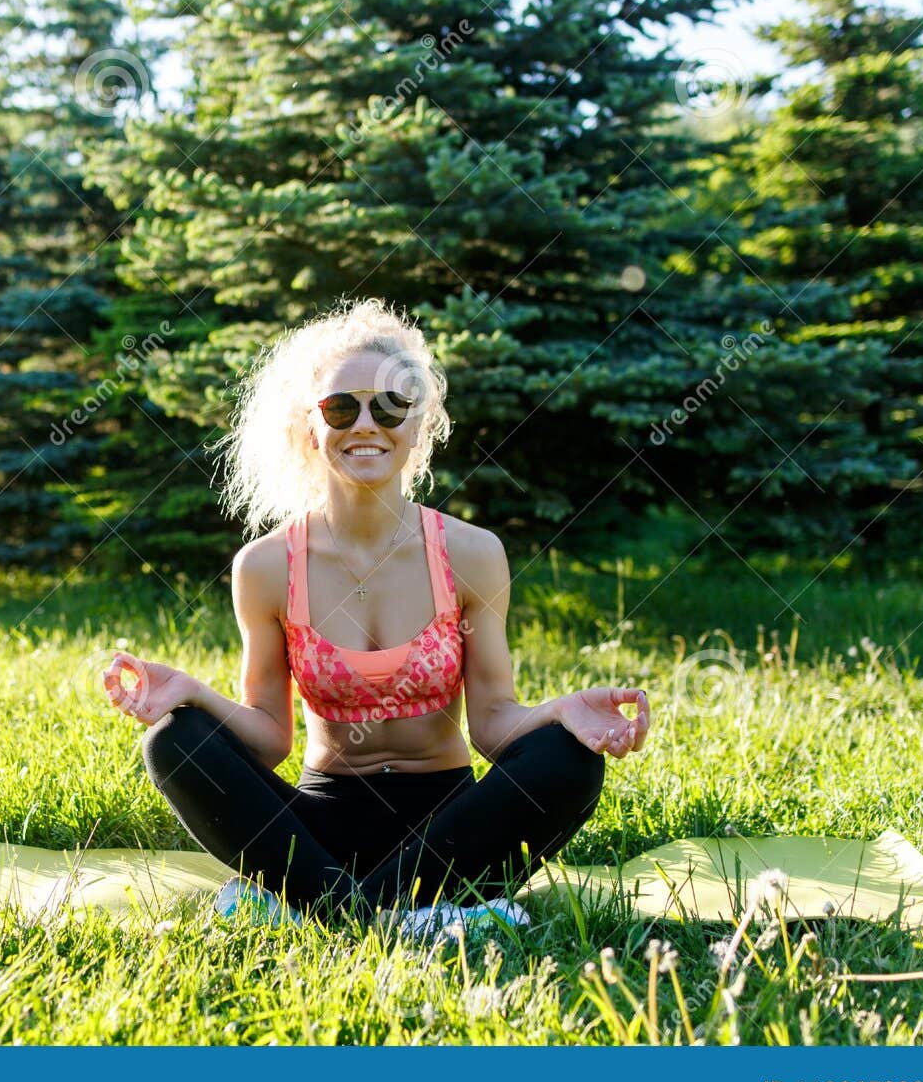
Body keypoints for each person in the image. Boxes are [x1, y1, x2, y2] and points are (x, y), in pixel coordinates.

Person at [102, 297, 650, 928]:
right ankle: (405, 914)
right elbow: (270, 737)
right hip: (317, 831)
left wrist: (561, 713)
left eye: (391, 406)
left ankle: (329, 910)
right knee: (174, 742)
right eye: (341, 407)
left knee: (571, 760)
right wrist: (192, 695)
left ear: (418, 426)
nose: (366, 423)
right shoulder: (266, 565)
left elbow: (493, 727)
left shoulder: (472, 554)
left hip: (448, 831)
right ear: (311, 428)